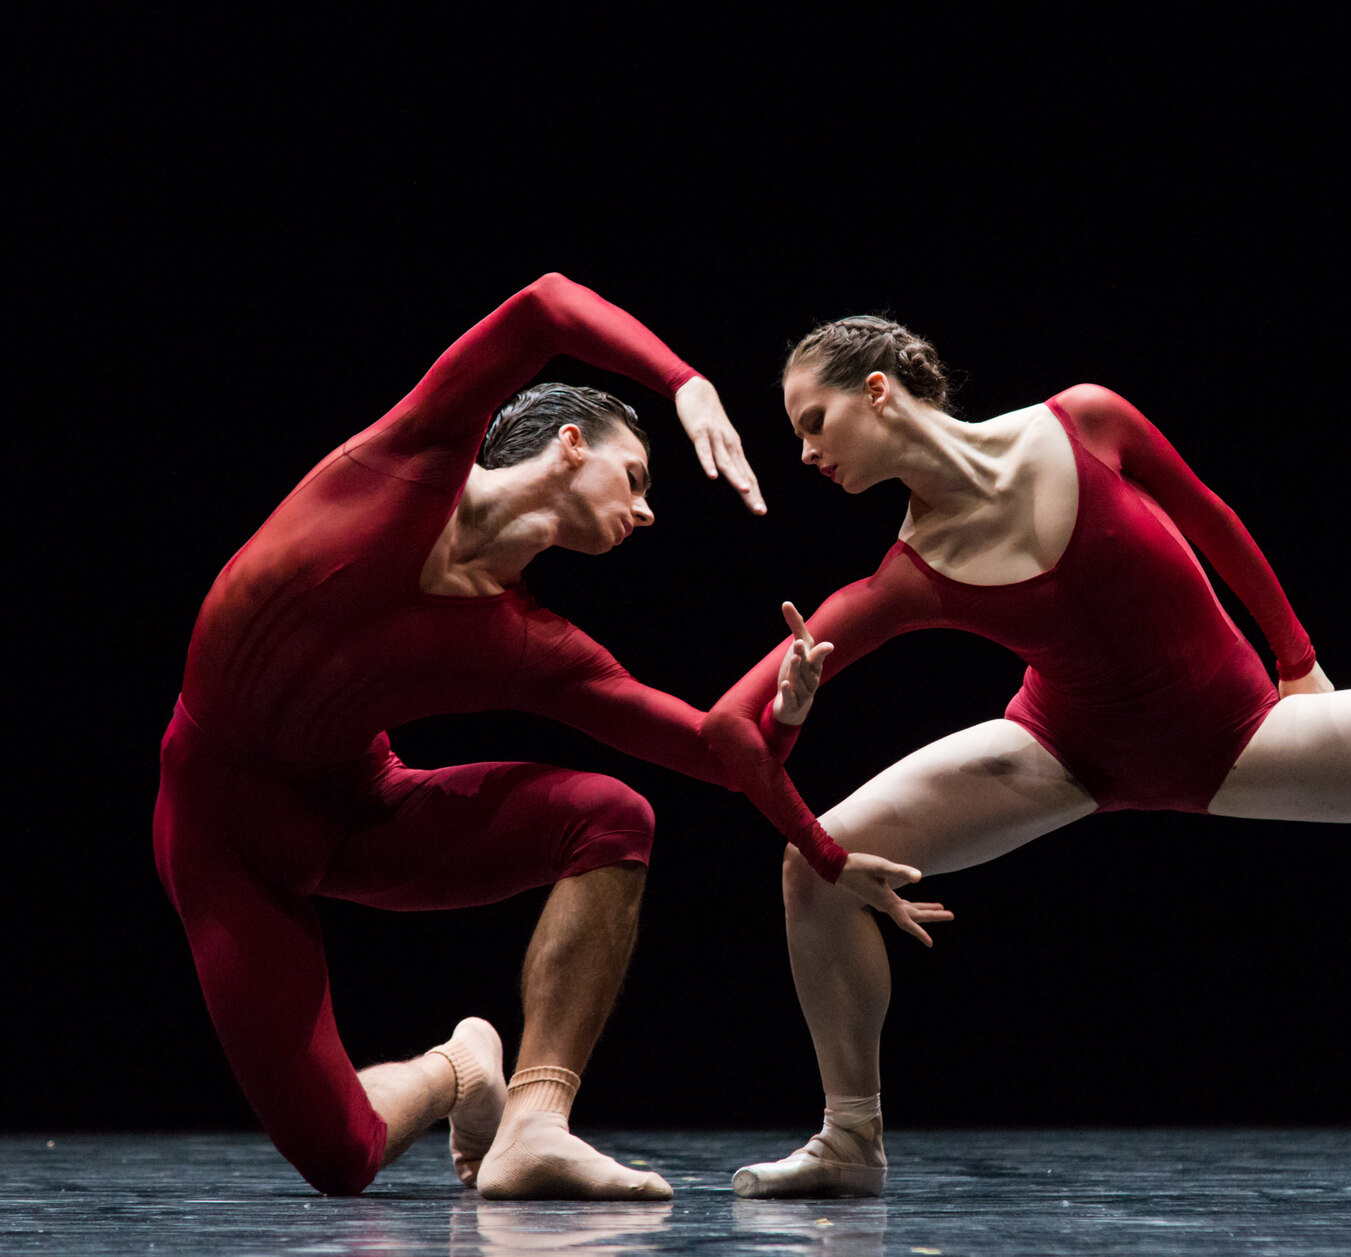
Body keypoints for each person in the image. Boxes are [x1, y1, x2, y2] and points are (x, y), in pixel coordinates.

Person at [702, 315, 1351, 1199]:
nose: (807, 454)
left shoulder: (1084, 420)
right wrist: (790, 717)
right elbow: (729, 731)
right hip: (1060, 751)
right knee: (806, 873)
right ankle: (850, 1136)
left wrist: (1296, 660)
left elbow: (1212, 517)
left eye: (813, 421)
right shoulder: (906, 574)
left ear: (879, 391)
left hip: (1237, 731)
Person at [152, 275, 914, 1200]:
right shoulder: (409, 459)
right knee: (337, 1157)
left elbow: (715, 758)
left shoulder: (534, 646)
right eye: (636, 477)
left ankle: (535, 1122)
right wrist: (683, 383)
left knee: (612, 816)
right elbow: (546, 307)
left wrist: (788, 711)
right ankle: (462, 1068)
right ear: (568, 445)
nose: (646, 510)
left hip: (356, 811)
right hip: (223, 838)